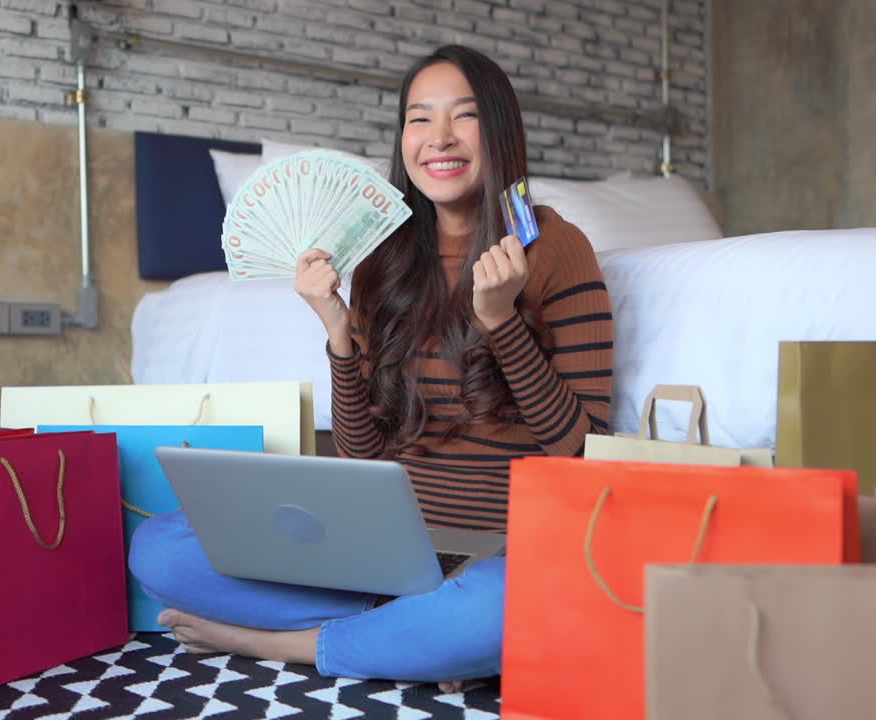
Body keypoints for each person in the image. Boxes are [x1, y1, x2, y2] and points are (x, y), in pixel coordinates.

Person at [129, 44, 614, 692]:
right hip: (385, 552)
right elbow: (363, 452)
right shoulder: (385, 258)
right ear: (402, 138)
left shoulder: (556, 247)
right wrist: (336, 330)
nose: (438, 138)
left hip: (496, 556)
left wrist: (502, 322)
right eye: (420, 118)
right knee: (158, 548)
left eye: (462, 116)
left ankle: (272, 642)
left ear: (499, 130)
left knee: (501, 606)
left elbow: (581, 448)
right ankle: (416, 634)